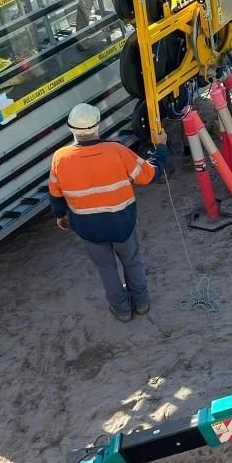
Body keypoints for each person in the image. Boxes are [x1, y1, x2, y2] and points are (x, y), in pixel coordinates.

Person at [48, 103, 167, 322]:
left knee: (106, 269)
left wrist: (60, 215)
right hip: (122, 223)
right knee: (132, 262)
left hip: (88, 228)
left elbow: (55, 194)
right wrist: (160, 148)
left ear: (71, 128)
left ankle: (122, 310)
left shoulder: (60, 157)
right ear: (98, 125)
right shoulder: (116, 150)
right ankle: (141, 304)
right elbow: (149, 175)